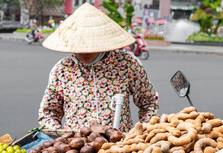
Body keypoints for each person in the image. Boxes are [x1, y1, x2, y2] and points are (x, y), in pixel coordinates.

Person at [38, 3, 159, 133]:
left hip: (119, 148)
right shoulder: (62, 70)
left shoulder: (127, 64)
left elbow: (149, 103)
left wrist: (140, 134)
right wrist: (61, 139)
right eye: (79, 47)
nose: (84, 52)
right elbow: (48, 112)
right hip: (76, 150)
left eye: (89, 47)